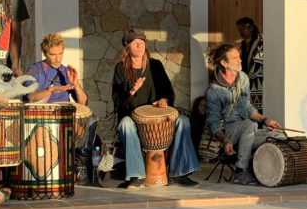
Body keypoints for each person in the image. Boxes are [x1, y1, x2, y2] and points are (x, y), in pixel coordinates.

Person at [111, 28, 200, 188]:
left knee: (183, 121)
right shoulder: (121, 69)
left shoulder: (156, 66)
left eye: (142, 42)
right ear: (127, 47)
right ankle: (137, 175)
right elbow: (117, 101)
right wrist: (132, 90)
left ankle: (180, 173)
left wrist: (164, 100)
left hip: (158, 116)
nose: (139, 45)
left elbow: (168, 91)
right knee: (124, 124)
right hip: (133, 117)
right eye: (135, 42)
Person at [204, 44, 282, 185]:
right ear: (224, 63)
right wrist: (225, 140)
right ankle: (241, 172)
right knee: (249, 124)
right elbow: (212, 123)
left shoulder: (243, 79)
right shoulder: (213, 91)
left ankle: (262, 172)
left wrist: (265, 121)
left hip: (246, 132)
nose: (240, 60)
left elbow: (247, 107)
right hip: (228, 133)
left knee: (279, 136)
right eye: (235, 58)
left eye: (239, 56)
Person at [25, 33, 98, 183]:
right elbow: (30, 97)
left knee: (91, 119)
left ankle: (82, 164)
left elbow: (83, 102)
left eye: (60, 54)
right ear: (45, 53)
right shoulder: (35, 70)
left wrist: (75, 84)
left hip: (67, 114)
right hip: (45, 115)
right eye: (53, 54)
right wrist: (49, 91)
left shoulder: (65, 71)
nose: (57, 58)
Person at [236, 17, 264, 112]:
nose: (241, 31)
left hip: (257, 83)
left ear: (251, 27)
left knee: (258, 111)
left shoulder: (260, 43)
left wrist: (248, 79)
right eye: (239, 28)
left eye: (243, 28)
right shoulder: (242, 45)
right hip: (245, 83)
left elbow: (259, 63)